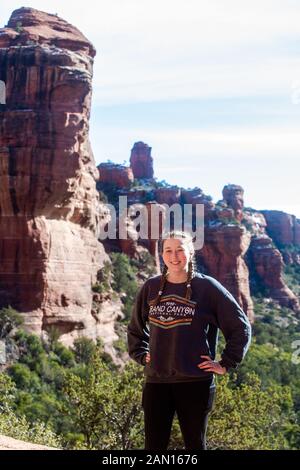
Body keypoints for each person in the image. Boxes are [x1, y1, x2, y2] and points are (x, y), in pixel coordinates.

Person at [127, 230, 251, 450]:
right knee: (153, 448)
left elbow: (240, 327)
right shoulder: (151, 287)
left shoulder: (207, 288)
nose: (174, 256)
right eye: (168, 250)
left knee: (195, 446)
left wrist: (225, 363)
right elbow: (135, 328)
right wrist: (140, 353)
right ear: (162, 254)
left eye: (180, 250)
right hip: (157, 381)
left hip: (195, 383)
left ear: (190, 253)